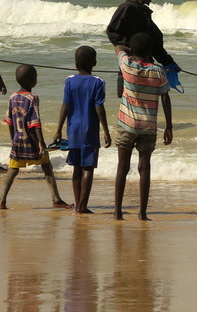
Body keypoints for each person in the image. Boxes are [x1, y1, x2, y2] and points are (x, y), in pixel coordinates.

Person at [113, 34, 173, 221]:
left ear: (133, 51)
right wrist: (169, 126)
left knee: (122, 167)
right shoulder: (158, 71)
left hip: (127, 124)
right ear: (150, 52)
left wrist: (129, 51)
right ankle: (142, 213)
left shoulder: (127, 66)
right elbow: (165, 97)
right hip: (148, 126)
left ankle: (118, 212)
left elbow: (118, 48)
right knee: (144, 167)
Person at [52, 46, 112, 213]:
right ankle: (83, 206)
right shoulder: (98, 82)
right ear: (95, 63)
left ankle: (78, 204)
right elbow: (99, 107)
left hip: (73, 130)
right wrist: (106, 131)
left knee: (76, 169)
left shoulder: (69, 81)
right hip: (89, 131)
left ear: (76, 64)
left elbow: (65, 106)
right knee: (88, 168)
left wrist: (58, 129)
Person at [1, 64, 69, 209]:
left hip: (17, 141)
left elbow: (9, 122)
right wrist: (41, 142)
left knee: (13, 169)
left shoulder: (12, 97)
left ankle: (2, 200)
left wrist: (13, 139)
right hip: (32, 141)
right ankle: (56, 199)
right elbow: (35, 122)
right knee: (46, 166)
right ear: (32, 80)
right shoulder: (32, 98)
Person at [106, 0, 180, 93]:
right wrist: (131, 49)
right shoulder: (127, 8)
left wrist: (169, 63)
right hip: (130, 64)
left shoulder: (144, 12)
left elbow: (155, 44)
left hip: (147, 65)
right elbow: (112, 31)